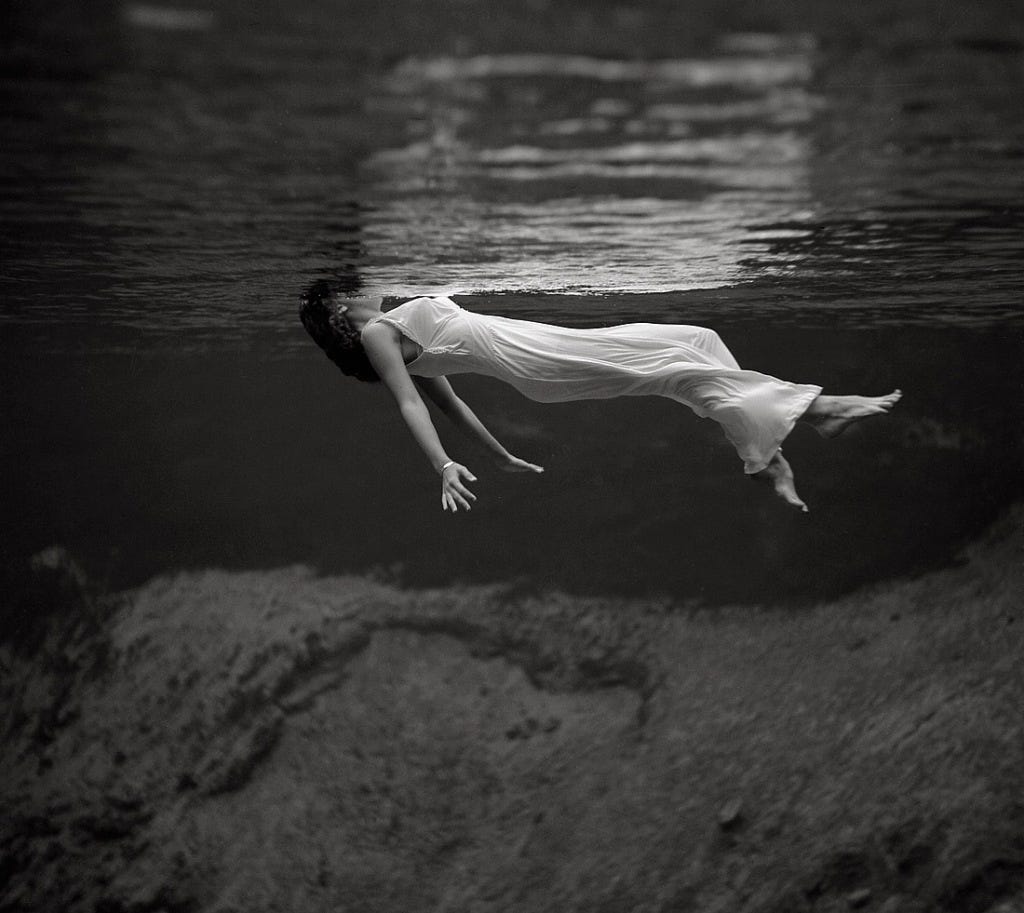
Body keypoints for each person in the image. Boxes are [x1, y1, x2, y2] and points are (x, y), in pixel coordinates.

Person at [299, 282, 901, 514]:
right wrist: (442, 463)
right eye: (351, 286)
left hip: (544, 348)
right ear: (339, 310)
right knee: (678, 371)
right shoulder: (380, 334)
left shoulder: (393, 320)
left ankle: (764, 449)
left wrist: (500, 454)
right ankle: (818, 413)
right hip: (538, 362)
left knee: (695, 341)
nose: (367, 282)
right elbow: (415, 403)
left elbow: (452, 404)